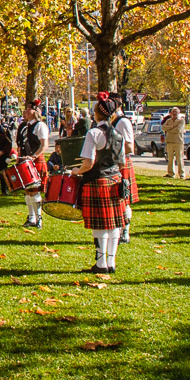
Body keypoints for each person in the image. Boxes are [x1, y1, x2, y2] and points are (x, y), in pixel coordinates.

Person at [73, 92, 127, 274]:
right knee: (114, 225)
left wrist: (75, 171)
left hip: (97, 181)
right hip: (115, 181)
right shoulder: (119, 134)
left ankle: (101, 263)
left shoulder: (93, 133)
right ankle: (111, 263)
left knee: (100, 225)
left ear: (97, 113)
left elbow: (88, 163)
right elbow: (122, 163)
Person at [15, 101, 50, 229]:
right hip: (25, 161)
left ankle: (39, 218)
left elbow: (44, 145)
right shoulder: (24, 126)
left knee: (34, 191)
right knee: (27, 191)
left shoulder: (40, 126)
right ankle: (31, 217)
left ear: (34, 112)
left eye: (28, 110)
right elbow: (20, 144)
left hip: (35, 160)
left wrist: (34, 156)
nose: (25, 112)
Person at [111, 95, 139, 243]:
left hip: (122, 162)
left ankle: (125, 232)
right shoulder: (112, 121)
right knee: (116, 198)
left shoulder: (123, 122)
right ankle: (117, 229)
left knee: (124, 198)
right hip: (113, 162)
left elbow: (129, 146)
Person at [161, 107, 186, 178]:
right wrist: (172, 126)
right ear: (171, 113)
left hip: (178, 141)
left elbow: (178, 130)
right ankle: (171, 173)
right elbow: (163, 127)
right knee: (170, 158)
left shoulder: (181, 121)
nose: (174, 113)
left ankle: (182, 174)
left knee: (179, 158)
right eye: (173, 112)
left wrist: (169, 129)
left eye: (176, 112)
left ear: (179, 113)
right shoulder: (169, 120)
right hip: (169, 141)